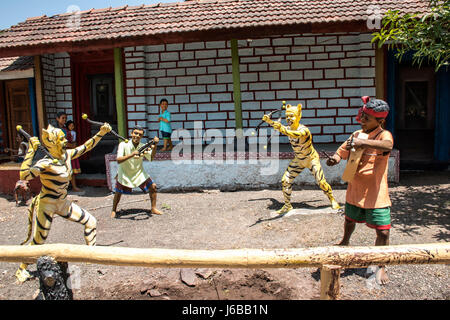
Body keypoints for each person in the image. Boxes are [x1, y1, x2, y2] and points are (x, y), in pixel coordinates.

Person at [15, 122, 112, 282]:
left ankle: (91, 255)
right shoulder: (45, 163)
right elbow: (24, 176)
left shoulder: (66, 155)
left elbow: (85, 147)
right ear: (51, 143)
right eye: (61, 139)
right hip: (47, 204)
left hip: (62, 202)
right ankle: (21, 269)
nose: (65, 141)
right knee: (39, 241)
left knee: (91, 222)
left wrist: (101, 133)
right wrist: (31, 150)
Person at [326, 96, 393, 285]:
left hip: (376, 191)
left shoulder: (383, 135)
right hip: (355, 186)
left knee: (383, 232)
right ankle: (345, 242)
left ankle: (380, 265)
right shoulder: (356, 134)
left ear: (380, 121)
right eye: (362, 116)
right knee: (349, 219)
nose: (362, 121)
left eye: (367, 118)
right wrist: (334, 159)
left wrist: (366, 144)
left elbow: (388, 146)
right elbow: (341, 151)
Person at [262, 103, 340, 214]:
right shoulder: (288, 128)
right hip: (298, 159)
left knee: (321, 181)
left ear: (299, 116)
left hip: (311, 158)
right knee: (285, 180)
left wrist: (279, 128)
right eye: (287, 116)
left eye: (291, 116)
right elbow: (282, 128)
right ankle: (287, 205)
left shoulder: (304, 130)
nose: (289, 119)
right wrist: (269, 121)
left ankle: (332, 199)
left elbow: (293, 134)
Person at [111, 126, 162, 218]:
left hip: (139, 173)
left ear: (142, 136)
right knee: (118, 192)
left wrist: (155, 146)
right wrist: (132, 154)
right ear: (131, 134)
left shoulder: (143, 146)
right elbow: (118, 160)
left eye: (140, 134)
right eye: (135, 133)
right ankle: (114, 210)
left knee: (153, 187)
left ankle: (153, 208)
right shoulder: (123, 144)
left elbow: (151, 158)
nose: (137, 136)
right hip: (124, 172)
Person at [65, 120, 82, 192]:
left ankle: (74, 186)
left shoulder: (73, 133)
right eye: (70, 126)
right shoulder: (64, 132)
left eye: (73, 126)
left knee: (72, 170)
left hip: (71, 152)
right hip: (66, 153)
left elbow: (74, 143)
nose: (72, 127)